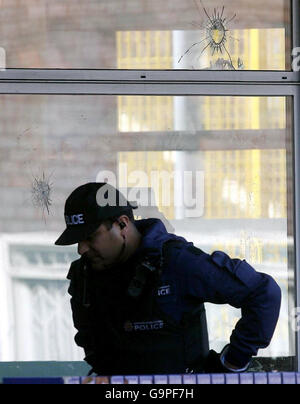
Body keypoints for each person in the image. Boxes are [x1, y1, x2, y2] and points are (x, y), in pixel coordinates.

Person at [55, 182, 281, 375]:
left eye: (90, 237)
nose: (81, 249)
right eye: (78, 241)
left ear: (122, 224)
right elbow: (90, 343)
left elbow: (263, 293)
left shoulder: (176, 261)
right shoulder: (85, 273)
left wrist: (233, 363)